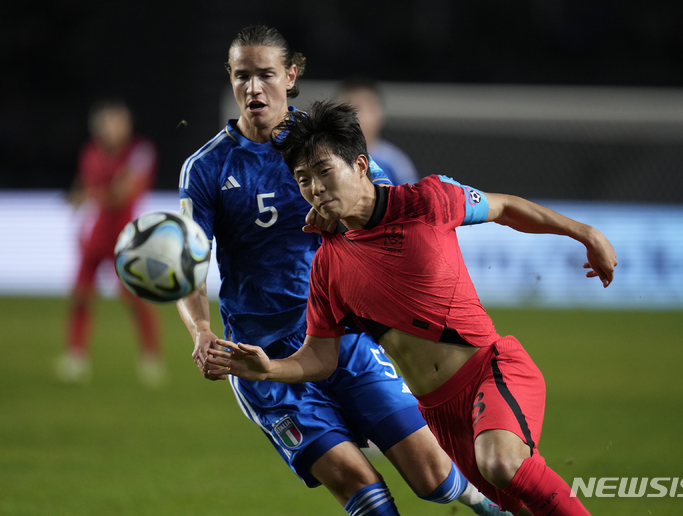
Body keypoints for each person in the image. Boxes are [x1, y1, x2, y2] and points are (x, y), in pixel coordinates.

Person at [208, 101, 619, 516]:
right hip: (439, 413)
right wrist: (269, 369)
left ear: (361, 165)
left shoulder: (429, 201)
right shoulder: (328, 265)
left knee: (502, 463)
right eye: (303, 179)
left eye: (325, 171)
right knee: (516, 507)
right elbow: (319, 356)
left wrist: (585, 233)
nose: (315, 187)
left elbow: (505, 208)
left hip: (490, 371)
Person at [177, 25, 512, 516]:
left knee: (431, 473)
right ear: (229, 79)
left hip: (343, 337)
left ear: (290, 76)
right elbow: (189, 262)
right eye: (242, 75)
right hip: (263, 358)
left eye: (265, 74)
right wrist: (201, 330)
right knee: (361, 485)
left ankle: (492, 506)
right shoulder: (205, 169)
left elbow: (379, 215)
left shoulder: (323, 145)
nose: (254, 88)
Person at [57, 99, 164, 387]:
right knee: (80, 294)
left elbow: (123, 194)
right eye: (104, 123)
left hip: (125, 238)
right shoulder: (91, 151)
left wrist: (88, 195)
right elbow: (85, 184)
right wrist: (80, 196)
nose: (107, 129)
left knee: (135, 298)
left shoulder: (140, 151)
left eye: (114, 122)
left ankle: (150, 357)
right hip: (95, 234)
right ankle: (75, 356)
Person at [336, 76, 420, 186]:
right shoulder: (326, 158)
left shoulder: (395, 163)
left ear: (379, 113)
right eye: (350, 107)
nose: (358, 116)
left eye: (366, 107)